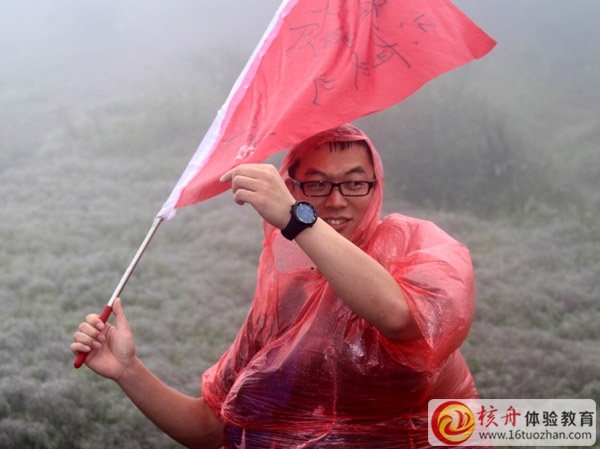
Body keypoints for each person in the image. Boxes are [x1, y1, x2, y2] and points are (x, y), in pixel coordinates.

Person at [71, 124, 481, 448]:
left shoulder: (418, 247)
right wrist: (128, 370)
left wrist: (297, 217)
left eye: (355, 183)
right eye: (316, 185)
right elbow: (213, 428)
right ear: (291, 189)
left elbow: (401, 318)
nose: (336, 201)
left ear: (376, 187)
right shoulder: (285, 298)